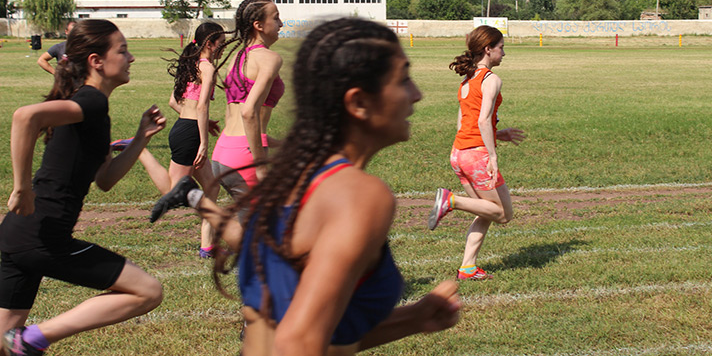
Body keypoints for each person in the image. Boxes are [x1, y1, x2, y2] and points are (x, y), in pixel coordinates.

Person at [152, 18, 460, 355]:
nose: (417, 94)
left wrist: (412, 319)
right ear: (357, 103)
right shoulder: (359, 196)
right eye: (402, 79)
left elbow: (310, 333)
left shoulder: (295, 175)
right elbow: (296, 344)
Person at [0, 19, 166, 356]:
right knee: (147, 291)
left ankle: (21, 341)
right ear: (97, 60)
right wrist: (21, 188)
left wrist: (140, 139)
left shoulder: (93, 109)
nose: (131, 58)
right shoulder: (90, 101)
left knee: (3, 345)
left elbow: (105, 180)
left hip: (18, 235)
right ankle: (32, 339)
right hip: (42, 238)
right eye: (123, 50)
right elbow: (24, 117)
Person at [428, 25, 526, 281]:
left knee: (486, 210)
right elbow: (482, 121)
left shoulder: (466, 82)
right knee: (504, 214)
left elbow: (463, 124)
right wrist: (492, 156)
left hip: (459, 153)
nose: (504, 53)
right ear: (488, 49)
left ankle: (467, 268)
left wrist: (497, 134)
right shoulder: (490, 79)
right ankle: (452, 201)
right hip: (476, 155)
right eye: (501, 48)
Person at [122, 22, 225, 258]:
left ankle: (207, 247)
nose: (222, 49)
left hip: (186, 128)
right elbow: (201, 106)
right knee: (172, 190)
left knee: (212, 186)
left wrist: (201, 123)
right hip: (189, 134)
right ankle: (139, 150)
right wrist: (203, 141)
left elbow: (174, 102)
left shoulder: (191, 64)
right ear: (210, 44)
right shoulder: (207, 68)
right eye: (220, 44)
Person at [210, 0, 284, 200]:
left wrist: (280, 144)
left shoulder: (236, 58)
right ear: (258, 25)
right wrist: (259, 165)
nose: (281, 24)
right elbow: (248, 112)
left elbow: (237, 118)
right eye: (276, 18)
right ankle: (190, 196)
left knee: (251, 226)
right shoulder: (270, 58)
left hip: (222, 153)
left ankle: (193, 198)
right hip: (245, 158)